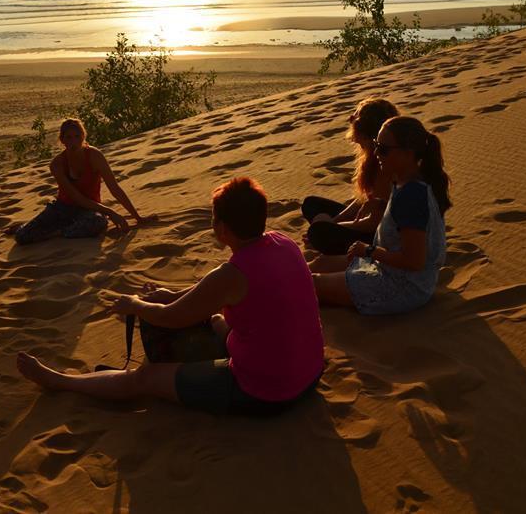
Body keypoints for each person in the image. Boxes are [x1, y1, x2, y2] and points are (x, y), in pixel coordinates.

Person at [17, 177, 325, 415]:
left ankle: (60, 381)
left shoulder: (232, 274)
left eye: (214, 219)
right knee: (217, 321)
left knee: (146, 378)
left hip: (267, 391)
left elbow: (171, 318)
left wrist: (135, 305)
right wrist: (169, 294)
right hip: (309, 373)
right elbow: (207, 296)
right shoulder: (282, 242)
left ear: (223, 229)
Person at [311, 116, 450, 314]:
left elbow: (414, 261)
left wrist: (368, 250)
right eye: (376, 144)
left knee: (311, 283)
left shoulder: (411, 195)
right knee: (320, 263)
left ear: (408, 154)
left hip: (402, 287)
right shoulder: (403, 180)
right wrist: (379, 205)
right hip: (387, 269)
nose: (376, 152)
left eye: (383, 149)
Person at [13, 118, 156, 245]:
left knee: (98, 222)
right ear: (62, 140)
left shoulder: (94, 156)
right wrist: (111, 212)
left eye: (77, 136)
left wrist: (137, 217)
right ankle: (31, 227)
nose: (73, 141)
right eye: (68, 137)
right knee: (22, 237)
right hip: (62, 208)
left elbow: (114, 188)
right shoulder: (57, 164)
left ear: (83, 137)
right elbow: (76, 197)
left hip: (89, 209)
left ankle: (57, 232)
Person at [302, 97, 399, 255]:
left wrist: (336, 227)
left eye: (354, 117)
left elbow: (375, 223)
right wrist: (335, 221)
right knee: (311, 204)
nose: (350, 120)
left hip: (379, 238)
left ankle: (328, 245)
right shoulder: (371, 156)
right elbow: (363, 199)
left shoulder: (382, 164)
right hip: (368, 223)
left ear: (363, 128)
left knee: (318, 232)